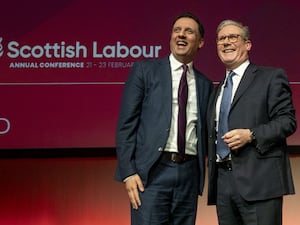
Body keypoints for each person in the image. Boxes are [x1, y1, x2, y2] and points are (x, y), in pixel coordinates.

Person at [115, 12, 213, 225]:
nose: (181, 35)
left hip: (188, 175)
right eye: (177, 30)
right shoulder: (145, 70)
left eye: (189, 31)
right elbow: (126, 125)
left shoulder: (205, 84)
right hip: (151, 173)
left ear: (200, 42)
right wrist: (128, 171)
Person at [207, 19, 297, 225]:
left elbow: (287, 121)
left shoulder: (270, 77)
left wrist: (251, 134)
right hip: (223, 184)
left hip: (260, 182)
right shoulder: (216, 90)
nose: (226, 42)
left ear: (248, 44)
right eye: (221, 39)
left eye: (233, 37)